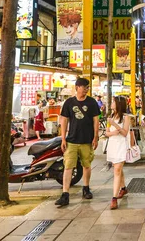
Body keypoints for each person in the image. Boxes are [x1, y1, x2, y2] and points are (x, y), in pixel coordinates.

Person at [55, 78, 100, 207]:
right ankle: (65, 194)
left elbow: (96, 120)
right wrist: (63, 138)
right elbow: (64, 120)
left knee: (86, 165)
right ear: (77, 87)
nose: (86, 90)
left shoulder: (91, 102)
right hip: (72, 140)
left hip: (87, 140)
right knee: (68, 166)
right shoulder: (69, 103)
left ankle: (86, 188)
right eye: (84, 87)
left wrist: (95, 137)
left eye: (87, 87)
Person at [105, 95, 130, 210]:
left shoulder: (126, 117)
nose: (111, 104)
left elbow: (125, 133)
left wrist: (115, 126)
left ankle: (114, 198)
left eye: (113, 102)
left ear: (118, 104)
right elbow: (106, 133)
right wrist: (112, 133)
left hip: (121, 145)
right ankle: (123, 188)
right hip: (112, 145)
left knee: (117, 169)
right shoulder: (111, 116)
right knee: (118, 168)